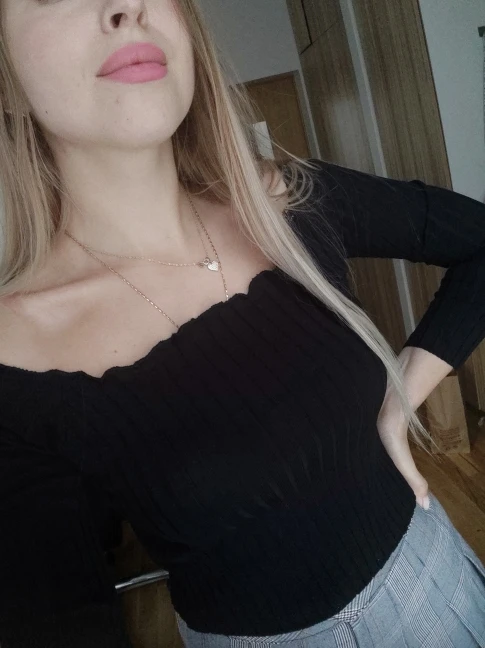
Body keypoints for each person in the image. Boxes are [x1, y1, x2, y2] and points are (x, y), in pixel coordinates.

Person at [0, 0, 484, 647]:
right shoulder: (16, 356)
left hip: (444, 595)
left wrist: (399, 400)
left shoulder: (289, 202)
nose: (125, 5)